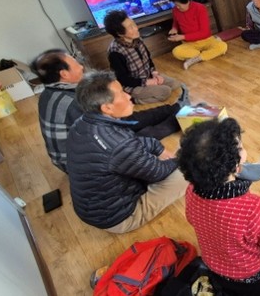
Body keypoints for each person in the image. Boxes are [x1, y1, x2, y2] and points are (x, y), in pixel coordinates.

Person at [177, 118, 260, 296]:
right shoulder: (253, 209)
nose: (243, 149)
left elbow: (193, 219)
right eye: (240, 148)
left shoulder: (191, 191)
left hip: (217, 272)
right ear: (235, 167)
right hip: (257, 283)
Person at [66, 71, 188, 233]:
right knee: (186, 172)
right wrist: (183, 157)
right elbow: (159, 172)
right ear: (107, 107)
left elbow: (130, 143)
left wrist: (156, 147)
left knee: (157, 158)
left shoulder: (81, 123)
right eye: (122, 94)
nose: (129, 96)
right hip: (118, 218)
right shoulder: (119, 144)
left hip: (94, 208)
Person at [30, 49, 182, 173]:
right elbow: (116, 135)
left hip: (84, 148)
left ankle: (175, 109)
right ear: (64, 74)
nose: (81, 66)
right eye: (76, 63)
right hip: (83, 165)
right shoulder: (75, 102)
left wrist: (168, 109)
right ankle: (176, 120)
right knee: (139, 136)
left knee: (131, 119)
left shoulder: (49, 92)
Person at [103, 10, 183, 104]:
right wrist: (147, 82)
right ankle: (133, 100)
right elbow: (123, 79)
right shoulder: (115, 52)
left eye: (134, 24)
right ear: (120, 33)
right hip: (134, 85)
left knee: (175, 84)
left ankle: (151, 89)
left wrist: (155, 74)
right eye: (131, 27)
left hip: (147, 76)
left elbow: (148, 59)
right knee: (165, 92)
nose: (136, 28)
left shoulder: (137, 39)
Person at [166, 0, 228, 69]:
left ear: (186, 1)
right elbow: (176, 22)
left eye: (178, 5)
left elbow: (204, 33)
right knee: (176, 52)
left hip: (206, 40)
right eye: (175, 5)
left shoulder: (200, 8)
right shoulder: (175, 10)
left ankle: (198, 58)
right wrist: (174, 28)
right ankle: (205, 54)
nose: (177, 7)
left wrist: (182, 37)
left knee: (223, 46)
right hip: (189, 43)